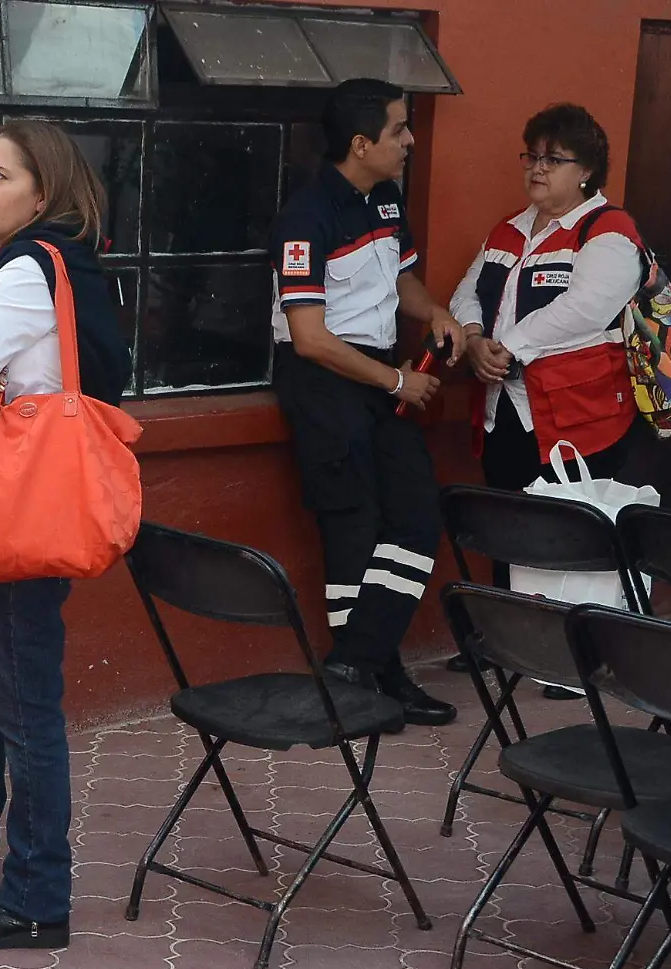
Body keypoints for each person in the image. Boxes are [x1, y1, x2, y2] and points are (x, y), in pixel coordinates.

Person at [0, 121, 129, 952]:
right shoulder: (75, 267)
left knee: (22, 706)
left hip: (15, 507)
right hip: (30, 507)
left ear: (43, 194)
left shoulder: (26, 270)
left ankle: (37, 896)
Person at [269, 78, 462, 727]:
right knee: (353, 527)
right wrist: (398, 383)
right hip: (325, 381)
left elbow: (401, 278)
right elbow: (310, 339)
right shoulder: (307, 215)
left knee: (415, 513)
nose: (410, 140)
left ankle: (357, 662)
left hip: (379, 373)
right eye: (399, 130)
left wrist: (435, 311)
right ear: (360, 142)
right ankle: (377, 674)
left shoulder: (384, 198)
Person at [443, 103, 653, 693]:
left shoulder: (609, 232)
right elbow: (466, 294)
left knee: (572, 528)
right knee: (511, 522)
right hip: (504, 406)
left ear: (586, 170)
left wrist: (507, 344)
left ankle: (576, 652)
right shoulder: (507, 230)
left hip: (582, 413)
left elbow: (587, 307)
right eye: (532, 156)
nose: (538, 169)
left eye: (553, 159)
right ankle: (508, 642)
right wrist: (478, 337)